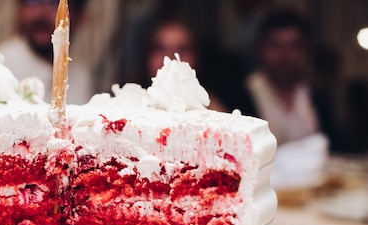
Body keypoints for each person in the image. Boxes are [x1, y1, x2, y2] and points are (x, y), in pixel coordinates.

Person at [231, 9, 335, 146]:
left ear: (306, 51)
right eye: (275, 45)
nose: (284, 55)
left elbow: (335, 145)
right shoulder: (240, 95)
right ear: (260, 48)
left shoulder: (317, 96)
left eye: (293, 46)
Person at [0, 0, 92, 104]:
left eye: (52, 2)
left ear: (80, 16)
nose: (40, 12)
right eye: (32, 1)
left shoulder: (81, 76)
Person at [133, 11, 226, 112]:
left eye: (182, 49)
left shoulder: (212, 110)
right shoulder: (125, 103)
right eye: (160, 48)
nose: (170, 58)